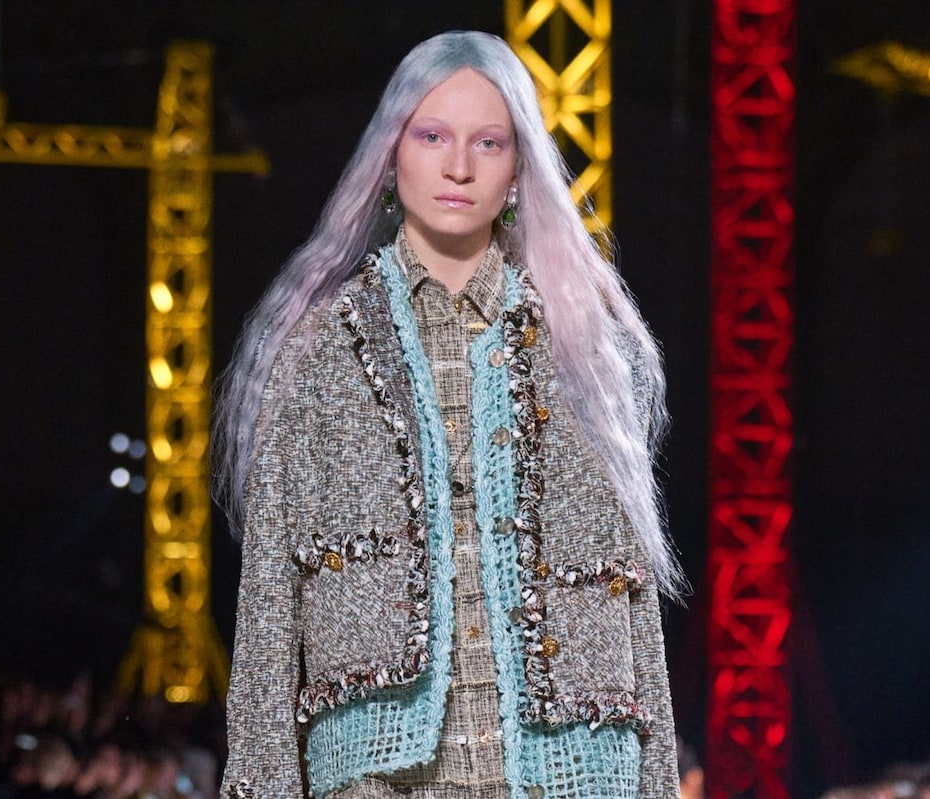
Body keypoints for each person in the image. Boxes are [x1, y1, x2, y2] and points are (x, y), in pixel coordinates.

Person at [214, 30, 683, 799]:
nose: (458, 166)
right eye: (432, 136)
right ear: (390, 155)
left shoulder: (590, 356)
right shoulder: (319, 352)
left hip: (572, 773)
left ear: (519, 169)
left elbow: (635, 612)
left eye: (488, 143)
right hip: (378, 775)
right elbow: (269, 604)